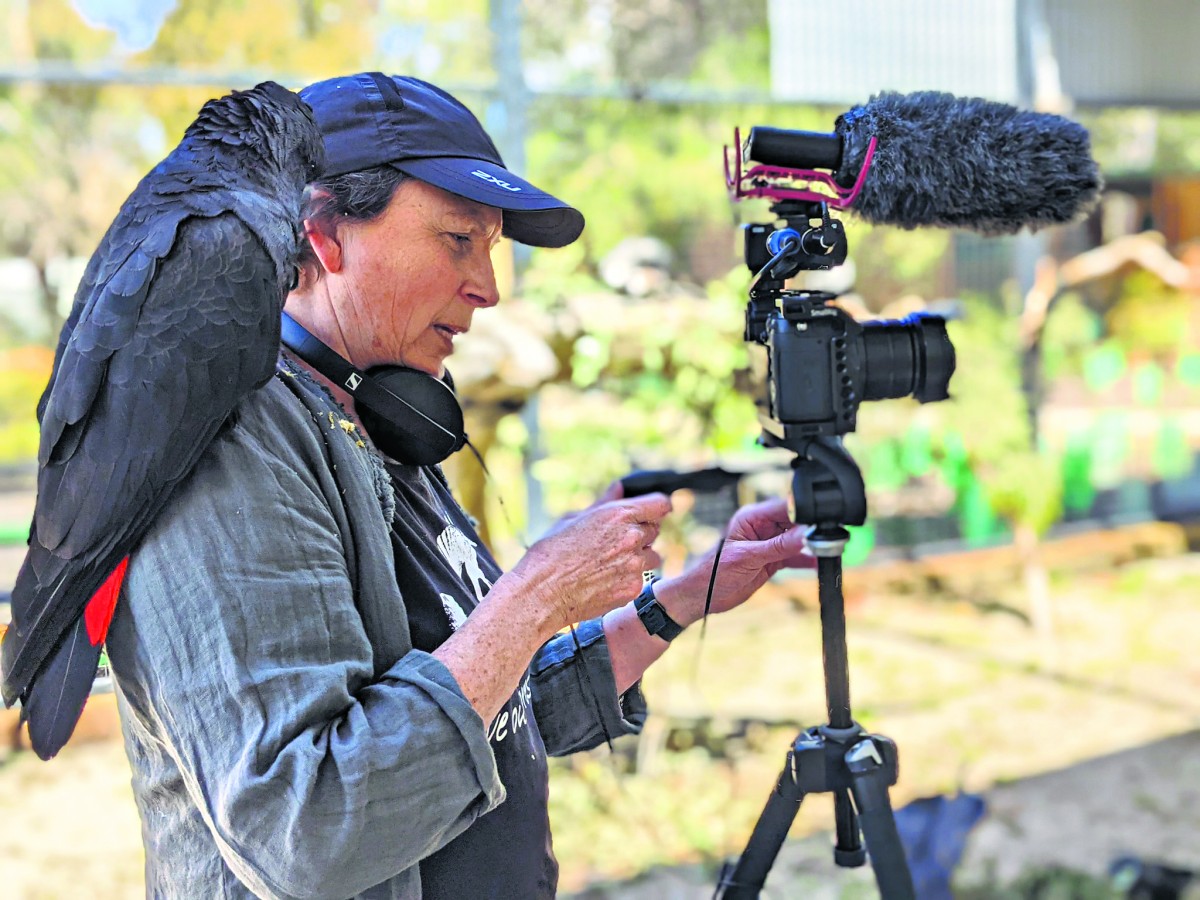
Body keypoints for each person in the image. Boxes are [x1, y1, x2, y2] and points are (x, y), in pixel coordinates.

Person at [105, 71, 814, 899]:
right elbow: (306, 828)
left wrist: (676, 601)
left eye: (493, 247)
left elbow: (485, 720)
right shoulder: (233, 441)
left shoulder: (385, 412)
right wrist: (538, 593)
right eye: (457, 239)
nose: (489, 287)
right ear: (322, 232)